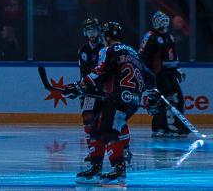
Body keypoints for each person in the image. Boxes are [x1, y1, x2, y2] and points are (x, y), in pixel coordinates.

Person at [65, 21, 156, 183]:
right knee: (96, 129)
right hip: (132, 101)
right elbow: (150, 77)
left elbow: (100, 72)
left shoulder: (108, 50)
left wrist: (79, 86)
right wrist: (151, 98)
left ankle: (118, 169)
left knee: (108, 131)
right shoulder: (133, 52)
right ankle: (96, 167)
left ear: (106, 36)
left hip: (117, 98)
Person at [140, 10, 187, 137]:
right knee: (160, 100)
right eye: (160, 21)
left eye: (164, 21)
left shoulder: (169, 36)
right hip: (157, 74)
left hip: (169, 73)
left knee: (178, 98)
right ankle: (159, 127)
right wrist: (147, 73)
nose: (163, 24)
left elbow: (174, 55)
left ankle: (178, 126)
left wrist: (177, 69)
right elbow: (142, 56)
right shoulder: (150, 36)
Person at [77, 17, 105, 169]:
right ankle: (92, 151)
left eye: (93, 30)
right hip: (89, 91)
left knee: (110, 119)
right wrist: (83, 88)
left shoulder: (105, 47)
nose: (91, 33)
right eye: (88, 30)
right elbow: (84, 71)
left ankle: (124, 149)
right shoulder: (83, 50)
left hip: (105, 90)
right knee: (88, 119)